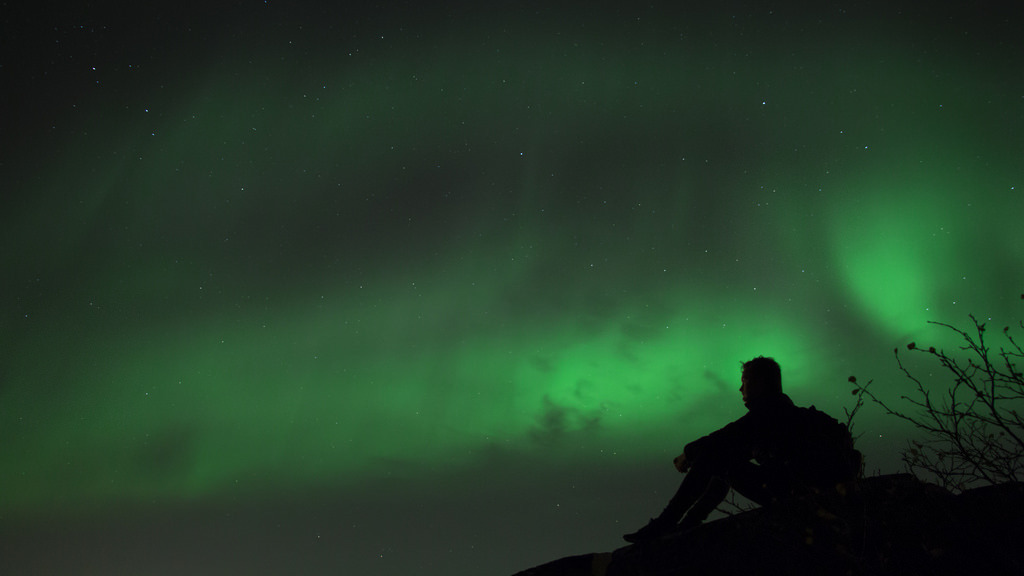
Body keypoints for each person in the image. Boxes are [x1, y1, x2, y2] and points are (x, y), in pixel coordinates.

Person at [623, 356, 861, 544]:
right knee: (722, 459)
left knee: (715, 455)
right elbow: (727, 451)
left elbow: (724, 438)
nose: (740, 388)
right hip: (802, 490)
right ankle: (686, 524)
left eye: (744, 381)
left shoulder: (770, 414)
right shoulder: (783, 416)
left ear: (759, 383)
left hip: (796, 495)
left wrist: (688, 453)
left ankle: (667, 524)